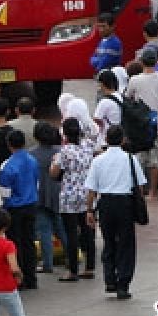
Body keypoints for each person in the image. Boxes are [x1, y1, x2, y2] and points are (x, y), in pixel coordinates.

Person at [85, 125, 147, 300]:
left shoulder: (98, 161)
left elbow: (91, 190)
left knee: (108, 241)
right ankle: (123, 283)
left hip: (105, 203)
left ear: (106, 139)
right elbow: (140, 186)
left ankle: (110, 279)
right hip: (125, 203)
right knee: (126, 244)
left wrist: (89, 210)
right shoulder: (130, 159)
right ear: (122, 140)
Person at [52, 118, 97, 281]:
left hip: (69, 195)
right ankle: (90, 266)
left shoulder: (64, 152)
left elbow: (54, 173)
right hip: (87, 194)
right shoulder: (87, 147)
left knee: (71, 233)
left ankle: (72, 270)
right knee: (88, 231)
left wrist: (53, 164)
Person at [0, 129, 39, 289]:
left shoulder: (7, 166)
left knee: (15, 243)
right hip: (31, 203)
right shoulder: (32, 161)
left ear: (9, 144)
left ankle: (19, 278)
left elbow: (4, 193)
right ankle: (31, 277)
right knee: (29, 241)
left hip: (15, 207)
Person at [125, 52, 158, 198]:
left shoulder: (134, 80)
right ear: (156, 62)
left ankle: (139, 191)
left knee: (140, 158)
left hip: (141, 123)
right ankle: (152, 192)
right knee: (156, 160)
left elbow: (128, 96)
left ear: (142, 63)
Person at [29, 121, 63, 276]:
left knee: (44, 230)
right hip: (58, 193)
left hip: (39, 194)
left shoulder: (32, 154)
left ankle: (47, 263)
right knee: (61, 228)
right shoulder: (60, 152)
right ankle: (72, 256)